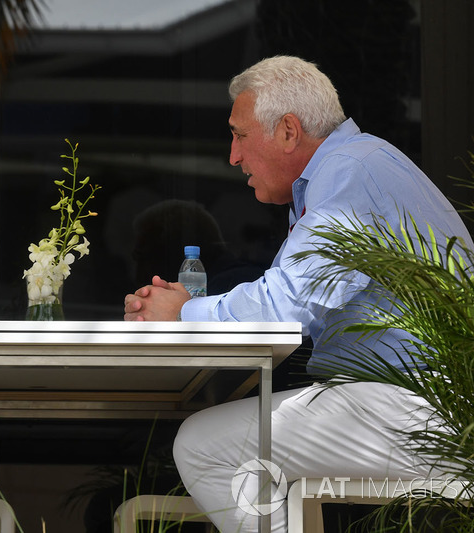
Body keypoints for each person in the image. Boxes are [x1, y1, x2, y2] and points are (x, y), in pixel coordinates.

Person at [123, 56, 474, 532]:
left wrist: (184, 312)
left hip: (427, 403)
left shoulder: (349, 172)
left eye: (239, 135)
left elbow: (286, 305)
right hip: (422, 399)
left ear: (289, 130)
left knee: (203, 447)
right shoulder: (352, 166)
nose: (232, 156)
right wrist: (187, 308)